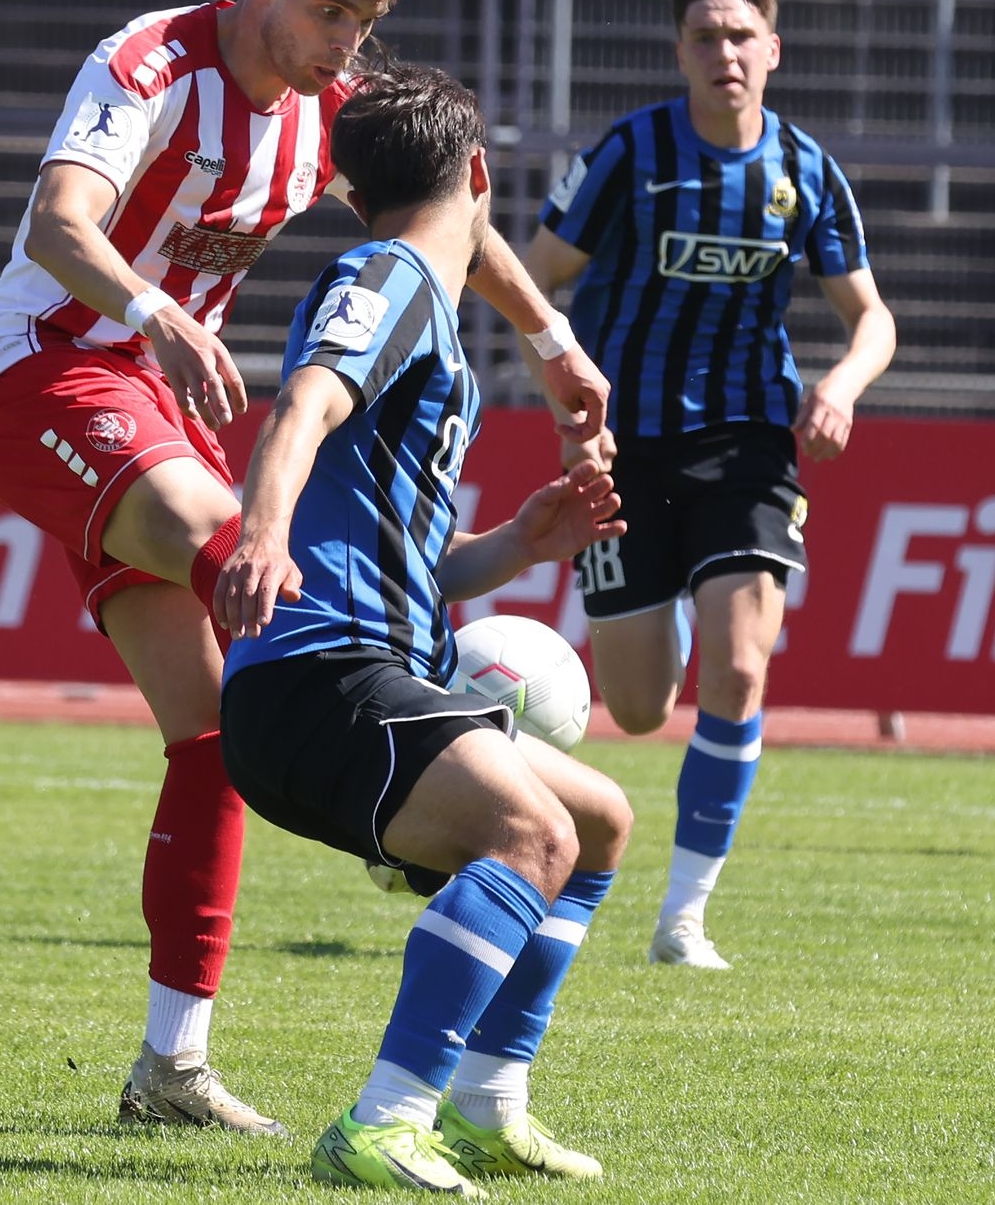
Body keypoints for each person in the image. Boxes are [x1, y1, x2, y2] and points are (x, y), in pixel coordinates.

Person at [0, 0, 610, 1133]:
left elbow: (455, 211)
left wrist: (555, 342)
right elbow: (58, 223)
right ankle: (421, 779)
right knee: (254, 570)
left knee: (212, 729)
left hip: (160, 402)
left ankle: (172, 1065)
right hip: (46, 368)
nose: (343, 44)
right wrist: (156, 312)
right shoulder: (150, 62)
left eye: (362, 23)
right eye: (327, 11)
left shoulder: (328, 103)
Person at [215, 61, 629, 1194]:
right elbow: (304, 402)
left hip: (363, 668)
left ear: (354, 192)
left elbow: (406, 563)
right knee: (532, 835)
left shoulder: (418, 301)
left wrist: (518, 545)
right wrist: (261, 535)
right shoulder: (389, 278)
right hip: (317, 679)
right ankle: (385, 1121)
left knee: (596, 823)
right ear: (480, 174)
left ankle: (486, 1106)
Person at [521, 0, 895, 968]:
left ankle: (683, 919)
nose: (724, 52)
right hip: (625, 446)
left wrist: (840, 387)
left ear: (773, 50)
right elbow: (534, 280)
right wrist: (570, 407)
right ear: (679, 51)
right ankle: (673, 604)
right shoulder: (630, 154)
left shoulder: (805, 171)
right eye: (705, 37)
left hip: (747, 442)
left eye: (741, 36)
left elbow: (872, 317)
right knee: (639, 708)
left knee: (739, 666)